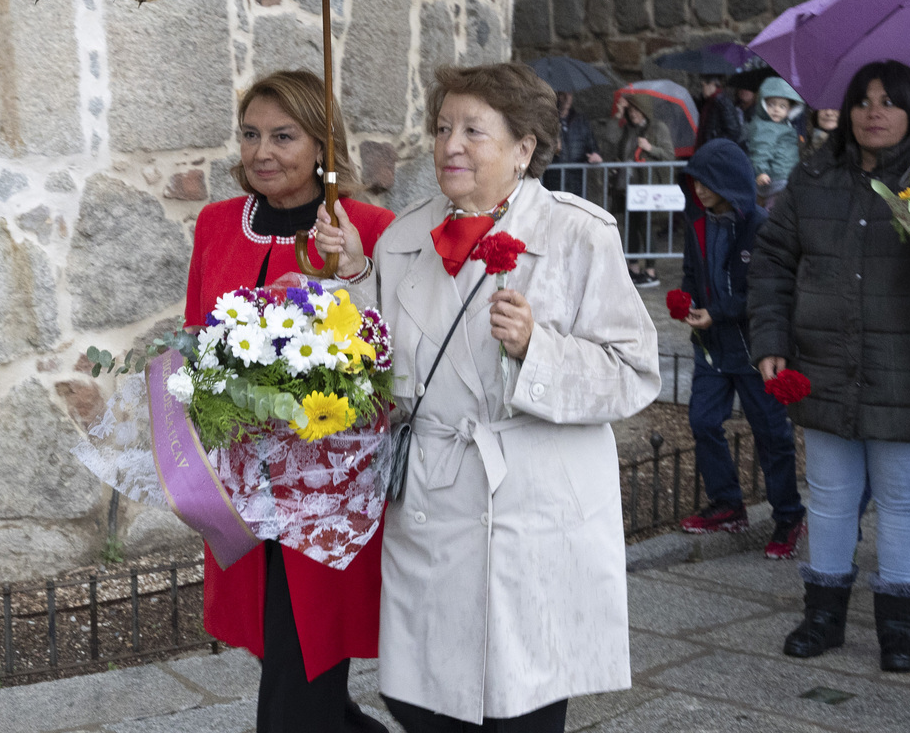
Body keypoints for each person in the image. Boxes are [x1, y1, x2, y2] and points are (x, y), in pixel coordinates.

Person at [313, 62, 661, 733]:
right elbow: (375, 361)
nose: (451, 145)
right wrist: (353, 273)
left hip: (537, 501)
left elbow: (634, 370)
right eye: (444, 128)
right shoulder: (404, 237)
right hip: (435, 503)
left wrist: (540, 348)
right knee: (422, 698)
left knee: (521, 704)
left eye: (475, 130)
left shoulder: (578, 234)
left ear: (524, 147)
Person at [185, 69, 394, 733]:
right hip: (242, 481)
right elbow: (195, 335)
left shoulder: (367, 226)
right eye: (250, 135)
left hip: (327, 490)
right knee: (284, 655)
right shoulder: (218, 224)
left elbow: (391, 353)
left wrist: (354, 271)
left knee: (305, 655)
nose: (262, 152)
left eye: (284, 135)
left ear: (322, 143)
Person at [748, 60, 910, 674]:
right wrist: (770, 336)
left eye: (890, 102)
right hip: (825, 361)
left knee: (905, 497)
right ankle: (823, 616)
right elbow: (771, 264)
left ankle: (899, 625)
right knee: (832, 496)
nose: (875, 112)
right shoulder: (812, 179)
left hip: (908, 366)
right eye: (864, 100)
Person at [673, 138, 806, 559]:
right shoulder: (696, 222)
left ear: (731, 182)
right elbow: (692, 272)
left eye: (708, 182)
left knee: (771, 434)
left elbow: (767, 291)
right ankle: (728, 504)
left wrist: (720, 311)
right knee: (703, 421)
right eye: (695, 181)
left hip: (755, 351)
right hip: (712, 349)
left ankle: (788, 515)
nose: (700, 190)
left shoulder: (761, 226)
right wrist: (688, 300)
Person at [606, 93, 674, 288]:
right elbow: (610, 140)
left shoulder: (657, 128)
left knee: (646, 225)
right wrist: (618, 115)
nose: (633, 114)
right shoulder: (628, 129)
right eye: (631, 110)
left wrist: (650, 148)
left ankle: (651, 271)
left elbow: (669, 155)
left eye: (636, 110)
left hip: (648, 186)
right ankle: (633, 267)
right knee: (631, 225)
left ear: (645, 110)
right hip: (627, 187)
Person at [745, 76, 804, 208]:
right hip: (775, 177)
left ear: (789, 110)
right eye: (771, 104)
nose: (776, 109)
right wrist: (761, 171)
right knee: (775, 208)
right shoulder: (765, 127)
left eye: (782, 106)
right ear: (763, 104)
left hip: (785, 173)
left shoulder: (784, 126)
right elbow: (761, 149)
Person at [542, 91, 602, 197]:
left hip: (576, 182)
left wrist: (595, 156)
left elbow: (593, 148)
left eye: (569, 94)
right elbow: (539, 151)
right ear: (557, 96)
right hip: (553, 182)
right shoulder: (547, 120)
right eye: (562, 94)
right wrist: (552, 148)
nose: (566, 98)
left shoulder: (581, 121)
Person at [695, 74, 745, 150]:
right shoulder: (709, 102)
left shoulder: (722, 102)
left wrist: (714, 141)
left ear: (712, 84)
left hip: (715, 150)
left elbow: (733, 131)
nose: (702, 90)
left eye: (703, 86)